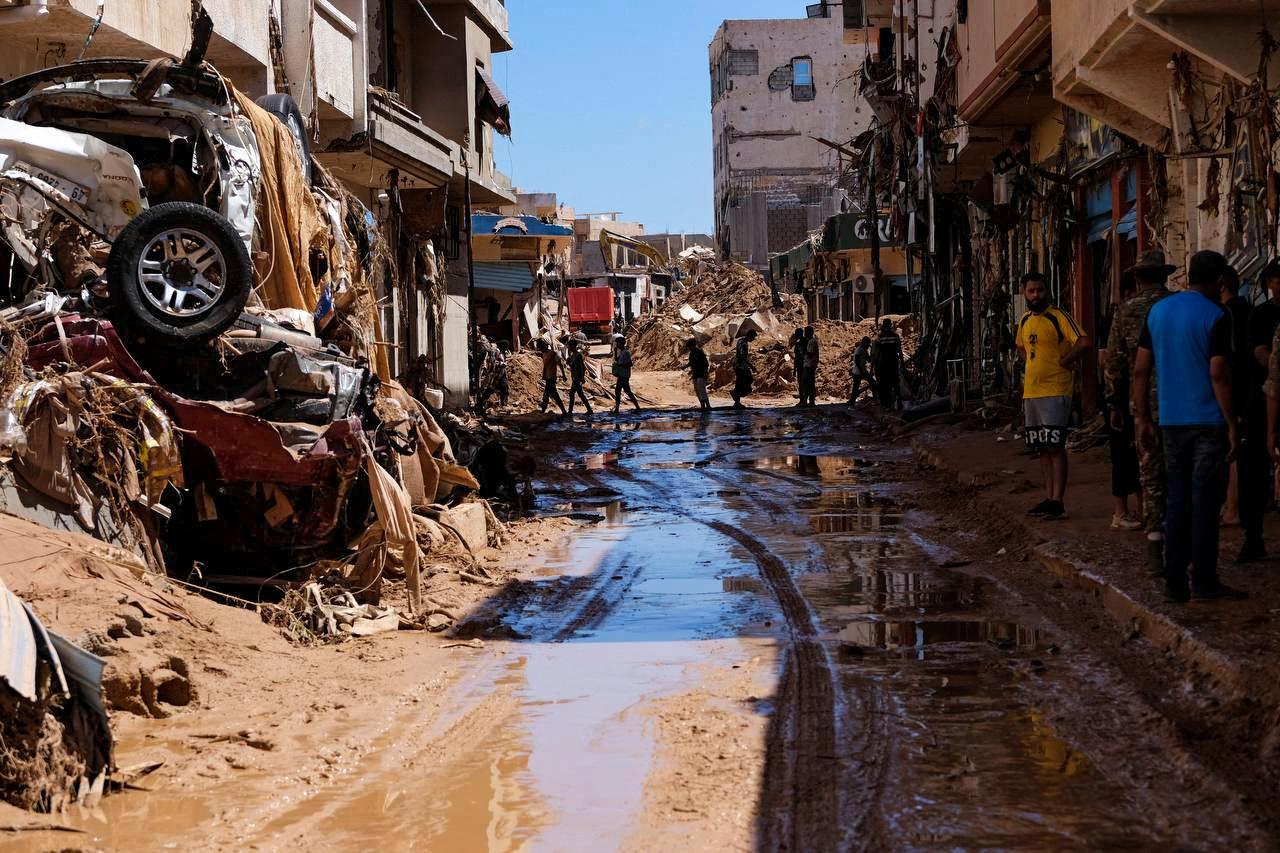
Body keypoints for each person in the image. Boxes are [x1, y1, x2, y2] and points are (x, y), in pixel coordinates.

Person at [1134, 249, 1244, 602]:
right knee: (1204, 503)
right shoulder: (1216, 315)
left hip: (1170, 421)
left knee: (1177, 500)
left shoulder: (1158, 312)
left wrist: (1143, 418)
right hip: (1208, 422)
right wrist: (1230, 422)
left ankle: (1174, 579)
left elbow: (1139, 369)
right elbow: (1217, 372)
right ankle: (1205, 580)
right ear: (1218, 281)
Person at [1104, 252, 1172, 567]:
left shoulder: (1126, 312)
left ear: (1138, 279)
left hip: (1142, 403)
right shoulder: (1176, 307)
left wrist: (1115, 404)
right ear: (1164, 276)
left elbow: (1115, 364)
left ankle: (1156, 540)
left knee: (1150, 471)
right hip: (1180, 400)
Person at [1015, 272, 1092, 521]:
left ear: (1047, 291)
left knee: (1056, 446)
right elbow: (1020, 347)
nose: (1036, 295)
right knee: (1042, 448)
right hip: (1032, 392)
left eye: (1040, 290)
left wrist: (1065, 361)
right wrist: (1028, 364)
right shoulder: (1025, 319)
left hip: (1056, 390)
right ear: (1024, 294)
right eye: (1031, 291)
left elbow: (1083, 341)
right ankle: (1049, 498)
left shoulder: (1058, 317)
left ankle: (1059, 501)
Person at [1243, 259, 1280, 561]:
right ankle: (1252, 538)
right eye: (1277, 279)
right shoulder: (1260, 316)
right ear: (1269, 283)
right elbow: (1259, 354)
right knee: (1255, 472)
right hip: (1262, 400)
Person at [1102, 274, 1143, 531]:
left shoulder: (1132, 316)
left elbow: (1109, 365)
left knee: (1136, 457)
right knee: (1125, 456)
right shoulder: (1118, 318)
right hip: (1129, 396)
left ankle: (1139, 509)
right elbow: (1108, 363)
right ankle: (1122, 512)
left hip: (1128, 397)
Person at [1219, 265, 1252, 528]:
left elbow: (1227, 362)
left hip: (1235, 388)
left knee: (1232, 452)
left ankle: (1233, 508)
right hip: (1250, 386)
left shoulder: (1226, 315)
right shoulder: (1249, 310)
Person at [872, 319, 904, 410]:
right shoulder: (895, 336)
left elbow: (877, 354)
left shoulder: (880, 337)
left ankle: (887, 405)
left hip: (883, 364)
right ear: (890, 325)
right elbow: (900, 351)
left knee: (884, 384)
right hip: (893, 362)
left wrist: (874, 366)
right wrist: (902, 364)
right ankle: (899, 402)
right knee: (895, 383)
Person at [475, 337, 509, 417]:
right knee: (490, 389)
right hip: (495, 375)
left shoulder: (500, 351)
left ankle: (503, 405)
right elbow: (493, 363)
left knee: (504, 388)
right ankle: (480, 404)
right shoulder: (496, 352)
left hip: (500, 374)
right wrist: (502, 364)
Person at [537, 339, 567, 417]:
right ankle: (544, 410)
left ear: (545, 346)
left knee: (552, 394)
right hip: (547, 377)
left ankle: (563, 411)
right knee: (547, 394)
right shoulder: (544, 354)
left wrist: (564, 375)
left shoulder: (553, 354)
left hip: (552, 377)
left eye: (541, 348)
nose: (541, 350)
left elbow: (560, 364)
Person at [612, 336, 640, 414]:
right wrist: (615, 352)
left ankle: (617, 409)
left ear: (621, 343)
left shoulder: (626, 352)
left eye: (617, 343)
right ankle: (637, 407)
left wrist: (620, 366)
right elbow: (618, 360)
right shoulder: (622, 352)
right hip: (622, 374)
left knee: (618, 391)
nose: (616, 344)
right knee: (627, 391)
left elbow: (629, 364)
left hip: (624, 375)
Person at [566, 338, 593, 418]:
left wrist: (582, 378)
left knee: (573, 393)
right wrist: (569, 362)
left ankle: (570, 411)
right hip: (574, 377)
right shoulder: (572, 356)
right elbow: (572, 366)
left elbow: (582, 367)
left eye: (569, 346)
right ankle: (589, 410)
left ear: (573, 346)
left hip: (577, 378)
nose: (568, 348)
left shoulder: (578, 355)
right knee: (580, 394)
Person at [731, 329, 758, 410]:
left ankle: (737, 400)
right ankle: (736, 397)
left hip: (739, 365)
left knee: (741, 383)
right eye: (753, 337)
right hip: (740, 365)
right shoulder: (744, 343)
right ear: (750, 336)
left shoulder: (740, 341)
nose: (753, 340)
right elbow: (743, 356)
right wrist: (751, 366)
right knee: (747, 381)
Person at [686, 337, 711, 411]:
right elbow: (691, 363)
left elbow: (706, 363)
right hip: (695, 374)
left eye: (690, 347)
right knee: (697, 390)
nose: (689, 348)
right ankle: (702, 406)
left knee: (702, 390)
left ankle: (708, 406)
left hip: (701, 373)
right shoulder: (692, 353)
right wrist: (685, 367)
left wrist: (706, 372)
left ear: (693, 346)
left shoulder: (700, 352)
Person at [850, 336, 876, 404]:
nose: (868, 346)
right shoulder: (859, 349)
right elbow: (857, 361)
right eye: (868, 344)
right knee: (857, 387)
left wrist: (873, 353)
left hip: (861, 370)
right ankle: (852, 402)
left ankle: (851, 402)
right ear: (864, 343)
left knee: (871, 383)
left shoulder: (864, 350)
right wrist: (862, 371)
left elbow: (869, 359)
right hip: (858, 371)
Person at [802, 325, 820, 407]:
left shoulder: (812, 342)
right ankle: (809, 400)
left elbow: (810, 354)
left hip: (810, 365)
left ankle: (810, 401)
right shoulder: (811, 341)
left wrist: (803, 353)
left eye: (805, 332)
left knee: (808, 383)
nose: (804, 334)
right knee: (809, 383)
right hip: (809, 364)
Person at [790, 328, 807, 406]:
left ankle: (806, 400)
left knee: (805, 384)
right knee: (800, 384)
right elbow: (796, 357)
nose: (795, 335)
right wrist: (794, 369)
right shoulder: (798, 344)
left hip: (805, 366)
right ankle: (802, 400)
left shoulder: (806, 342)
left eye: (797, 334)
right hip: (800, 366)